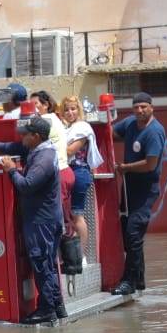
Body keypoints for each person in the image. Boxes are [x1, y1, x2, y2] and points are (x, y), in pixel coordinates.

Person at [0, 116, 65, 324]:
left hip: (41, 221)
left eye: (26, 134)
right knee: (48, 264)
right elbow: (17, 145)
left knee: (42, 263)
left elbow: (26, 185)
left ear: (36, 136)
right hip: (46, 219)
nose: (22, 138)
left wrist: (10, 170)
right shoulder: (40, 149)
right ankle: (57, 306)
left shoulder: (43, 158)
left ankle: (46, 309)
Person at [110, 91, 167, 296]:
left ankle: (129, 282)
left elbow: (150, 165)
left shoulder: (154, 131)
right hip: (128, 187)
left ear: (151, 107)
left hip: (145, 190)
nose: (140, 110)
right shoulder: (131, 123)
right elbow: (111, 133)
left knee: (133, 233)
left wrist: (125, 167)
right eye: (136, 107)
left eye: (144, 107)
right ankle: (140, 278)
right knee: (128, 232)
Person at [60, 95, 104, 257]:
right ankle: (71, 254)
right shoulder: (66, 128)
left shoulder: (82, 128)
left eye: (73, 108)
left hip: (79, 173)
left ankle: (81, 255)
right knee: (68, 215)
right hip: (66, 172)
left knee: (77, 214)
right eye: (66, 109)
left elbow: (70, 150)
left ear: (78, 110)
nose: (70, 112)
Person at [31, 90, 75, 226]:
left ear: (46, 105)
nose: (32, 107)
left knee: (60, 222)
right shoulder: (54, 118)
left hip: (59, 174)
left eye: (35, 104)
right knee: (65, 220)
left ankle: (69, 246)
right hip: (65, 172)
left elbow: (25, 133)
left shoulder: (46, 120)